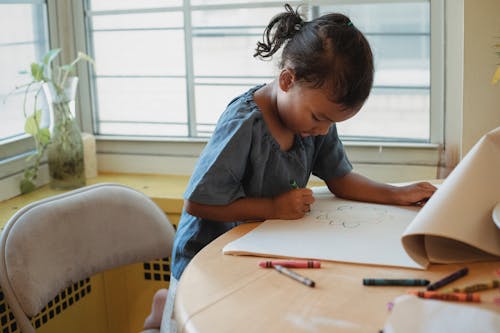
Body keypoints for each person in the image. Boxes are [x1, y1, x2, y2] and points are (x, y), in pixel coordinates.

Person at [143, 4, 437, 331]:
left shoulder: (313, 121)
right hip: (208, 256)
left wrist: (395, 194)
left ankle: (162, 305)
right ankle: (164, 307)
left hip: (261, 246)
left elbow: (340, 178)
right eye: (319, 117)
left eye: (333, 122)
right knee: (189, 323)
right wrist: (272, 207)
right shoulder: (244, 126)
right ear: (287, 80)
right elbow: (197, 202)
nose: (324, 130)